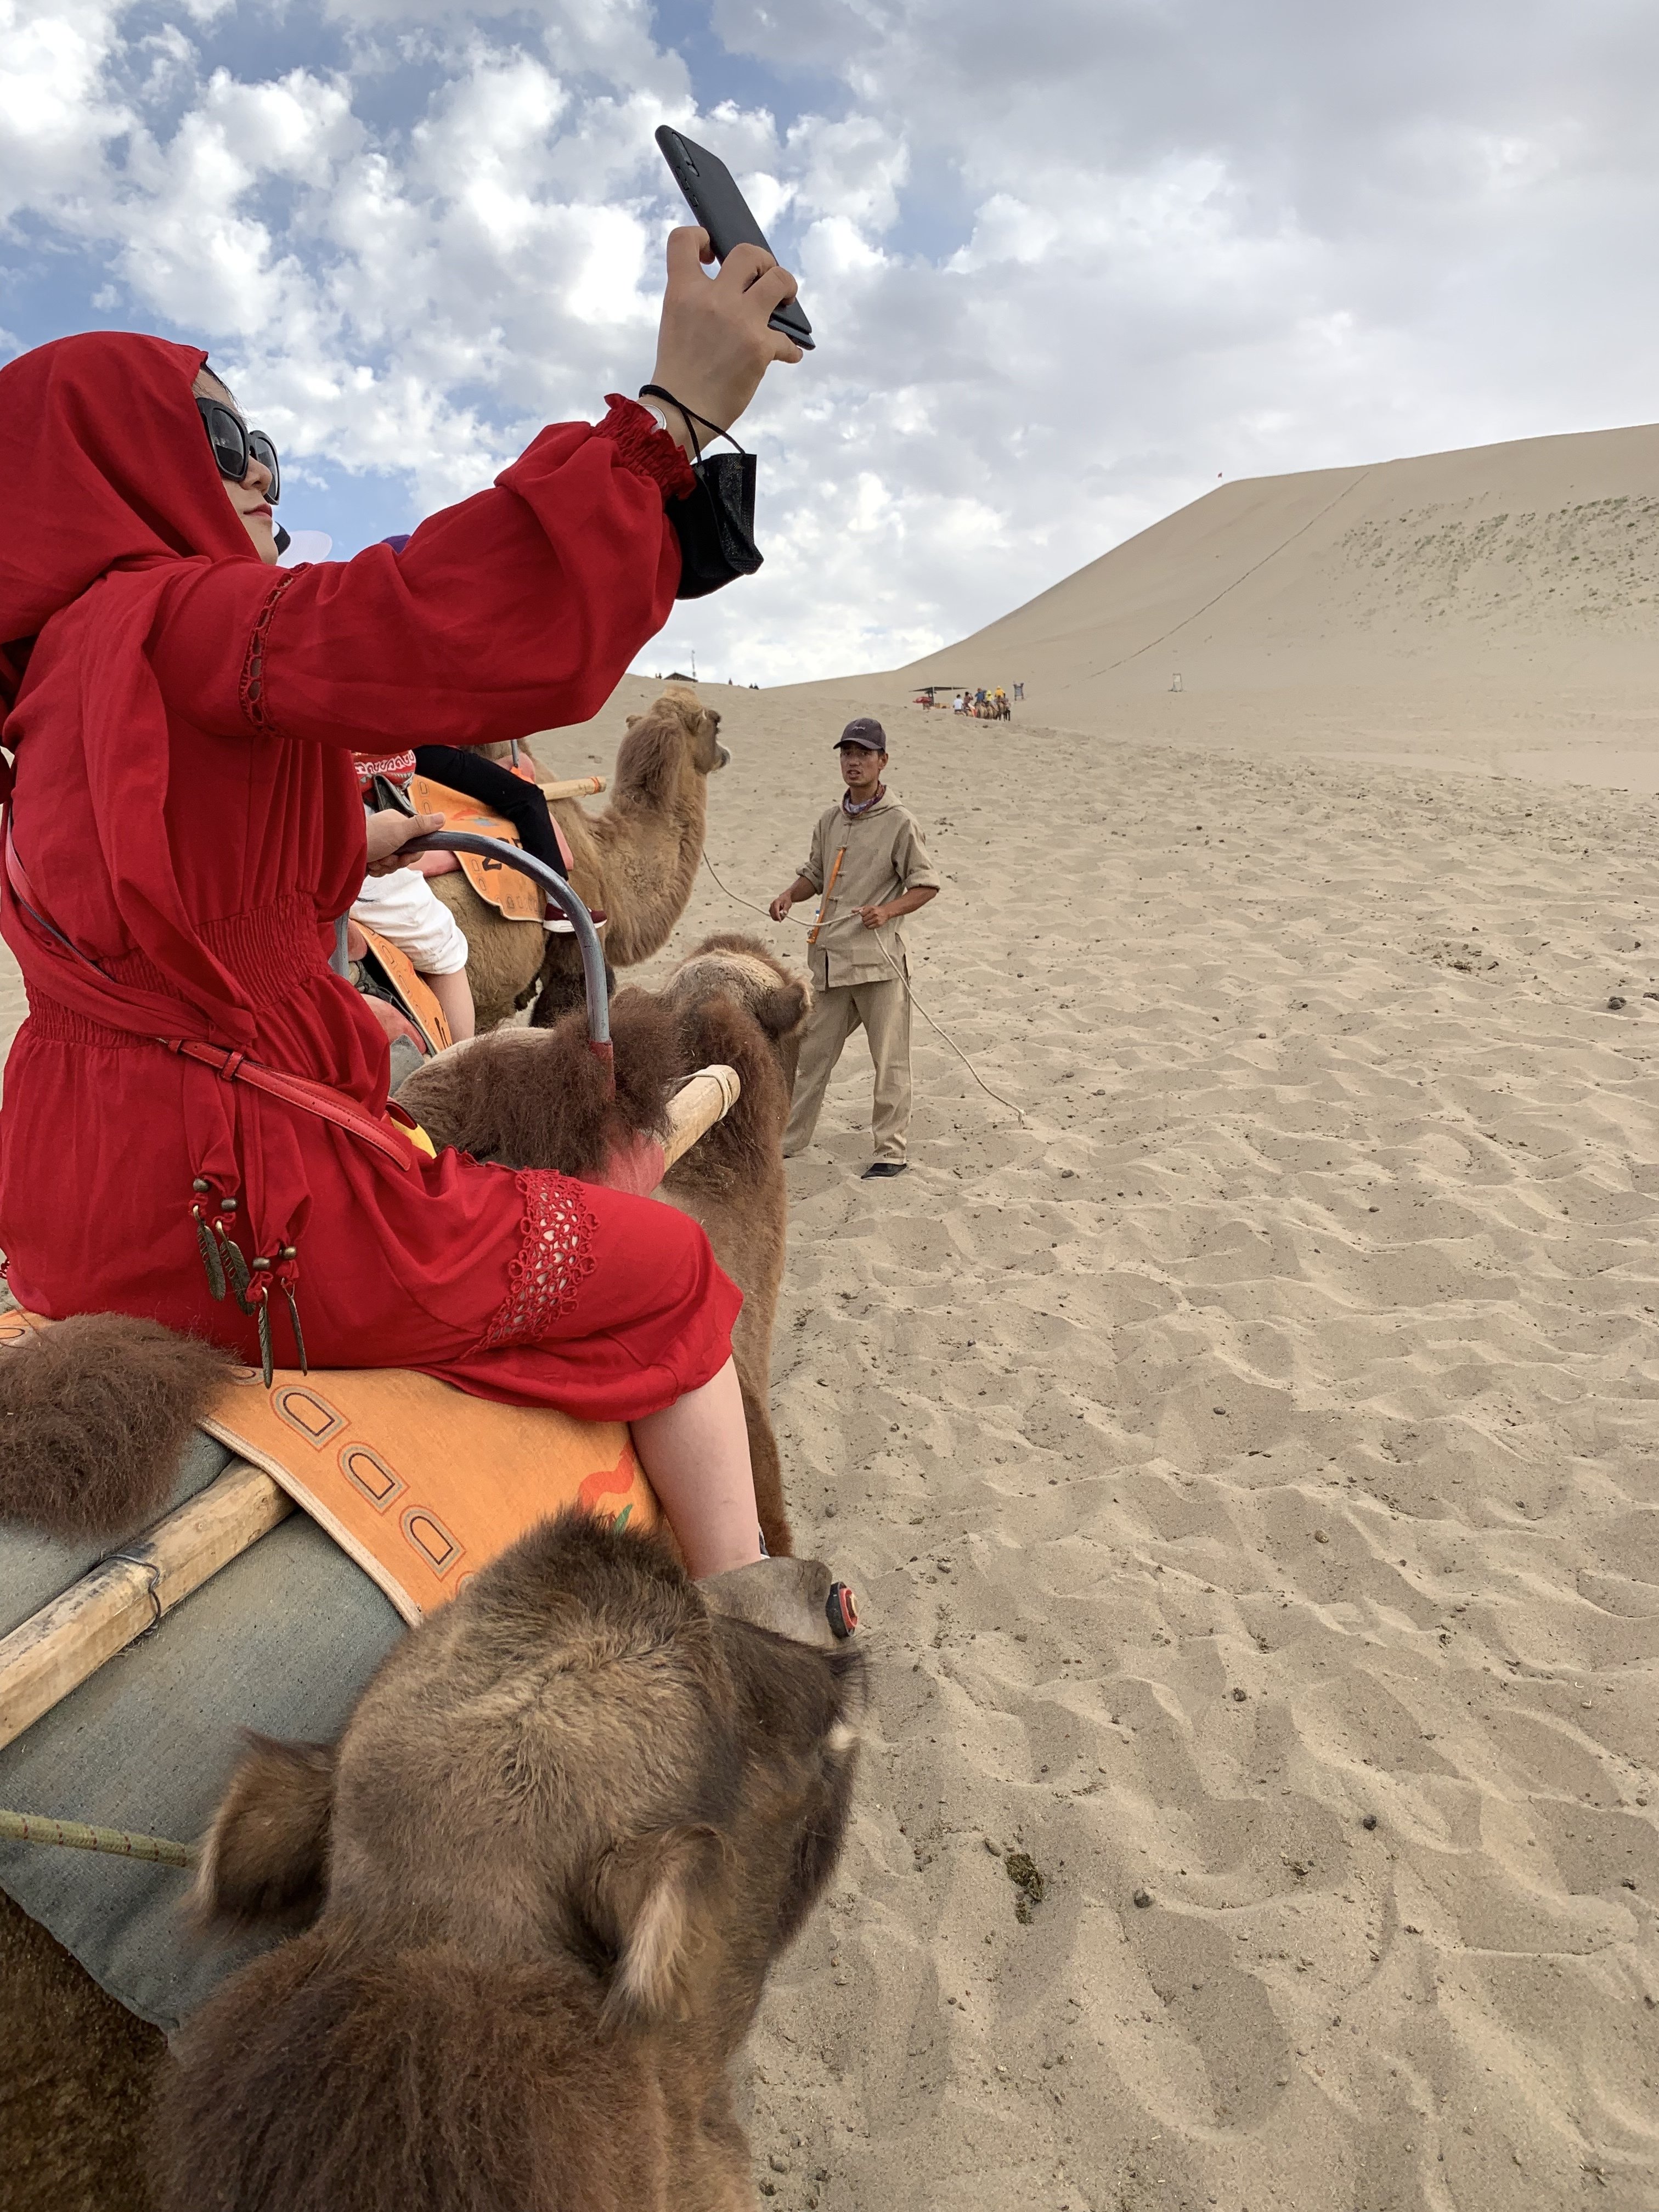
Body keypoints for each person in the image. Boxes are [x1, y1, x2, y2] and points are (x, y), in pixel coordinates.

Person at [0, 225, 802, 1577]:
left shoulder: (49, 691)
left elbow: (162, 899)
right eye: (219, 436)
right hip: (239, 1200)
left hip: (74, 1194)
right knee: (670, 1272)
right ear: (114, 467)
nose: (261, 469)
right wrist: (665, 423)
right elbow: (433, 617)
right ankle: (752, 1628)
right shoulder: (190, 621)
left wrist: (342, 853)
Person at [768, 718, 938, 1179]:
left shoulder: (901, 822)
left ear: (883, 761)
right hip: (831, 963)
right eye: (847, 753)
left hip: (879, 965)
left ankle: (891, 1152)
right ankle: (788, 1143)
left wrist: (888, 912)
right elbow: (816, 874)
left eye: (864, 754)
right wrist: (789, 894)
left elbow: (926, 884)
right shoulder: (830, 819)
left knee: (890, 1062)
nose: (854, 762)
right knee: (808, 1058)